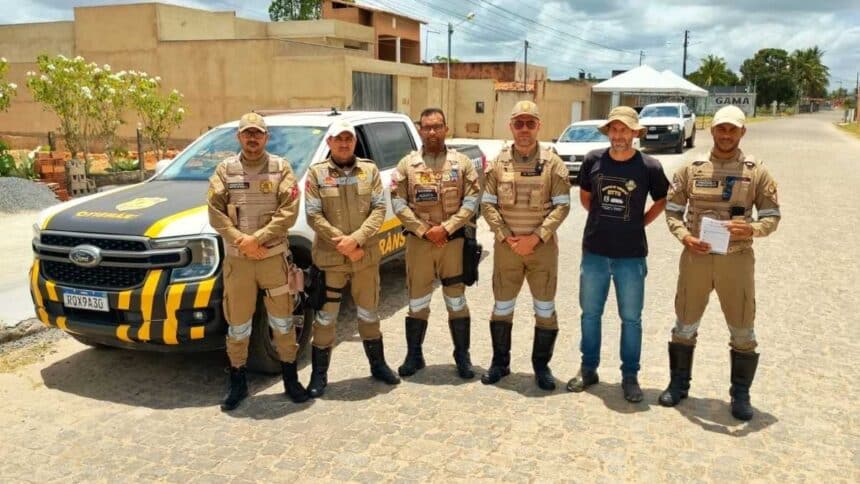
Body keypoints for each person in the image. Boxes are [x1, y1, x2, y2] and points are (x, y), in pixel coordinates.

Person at [659, 105, 780, 421]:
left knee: (742, 329)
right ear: (711, 131)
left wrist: (750, 229)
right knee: (684, 324)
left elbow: (771, 217)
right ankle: (678, 384)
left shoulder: (756, 172)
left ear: (743, 132)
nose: (726, 135)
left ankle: (740, 395)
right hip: (696, 259)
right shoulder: (691, 169)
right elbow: (672, 212)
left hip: (735, 261)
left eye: (732, 129)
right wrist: (684, 237)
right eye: (721, 129)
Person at [565, 106, 669, 402]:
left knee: (631, 318)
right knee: (590, 315)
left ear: (635, 133)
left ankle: (630, 375)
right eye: (614, 129)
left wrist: (641, 222)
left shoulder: (649, 166)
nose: (619, 135)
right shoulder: (593, 160)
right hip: (595, 252)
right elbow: (586, 198)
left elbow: (662, 199)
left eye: (625, 129)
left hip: (631, 255)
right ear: (608, 132)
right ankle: (588, 369)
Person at [207, 112, 306, 411]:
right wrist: (242, 242)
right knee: (237, 325)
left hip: (272, 260)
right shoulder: (225, 170)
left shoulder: (281, 168)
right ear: (238, 137)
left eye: (258, 133)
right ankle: (238, 382)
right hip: (239, 263)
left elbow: (288, 211)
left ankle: (290, 379)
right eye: (247, 133)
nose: (252, 139)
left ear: (266, 137)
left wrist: (257, 239)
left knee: (283, 320)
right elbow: (215, 212)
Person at [303, 120, 400, 397]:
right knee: (325, 319)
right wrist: (342, 243)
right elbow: (313, 214)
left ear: (354, 142)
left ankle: (378, 366)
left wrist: (356, 240)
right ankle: (318, 376)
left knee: (369, 314)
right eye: (338, 139)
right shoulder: (317, 174)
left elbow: (379, 209)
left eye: (349, 138)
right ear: (330, 143)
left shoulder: (369, 171)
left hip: (364, 257)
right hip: (331, 259)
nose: (344, 143)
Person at [479, 100, 571, 390]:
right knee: (502, 306)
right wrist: (506, 236)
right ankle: (500, 364)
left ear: (538, 126)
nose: (524, 129)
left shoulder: (552, 163)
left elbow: (562, 206)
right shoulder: (498, 162)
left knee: (544, 308)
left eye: (530, 123)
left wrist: (536, 237)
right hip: (507, 248)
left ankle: (541, 367)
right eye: (519, 123)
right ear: (511, 126)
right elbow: (487, 204)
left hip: (541, 249)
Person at [390, 107, 481, 379]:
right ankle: (414, 355)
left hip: (453, 244)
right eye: (427, 126)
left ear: (446, 128)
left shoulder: (461, 163)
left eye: (437, 126)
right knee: (418, 301)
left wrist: (448, 227)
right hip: (420, 244)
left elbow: (472, 199)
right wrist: (424, 230)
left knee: (456, 301)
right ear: (419, 129)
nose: (432, 131)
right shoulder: (407, 164)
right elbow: (397, 201)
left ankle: (462, 356)